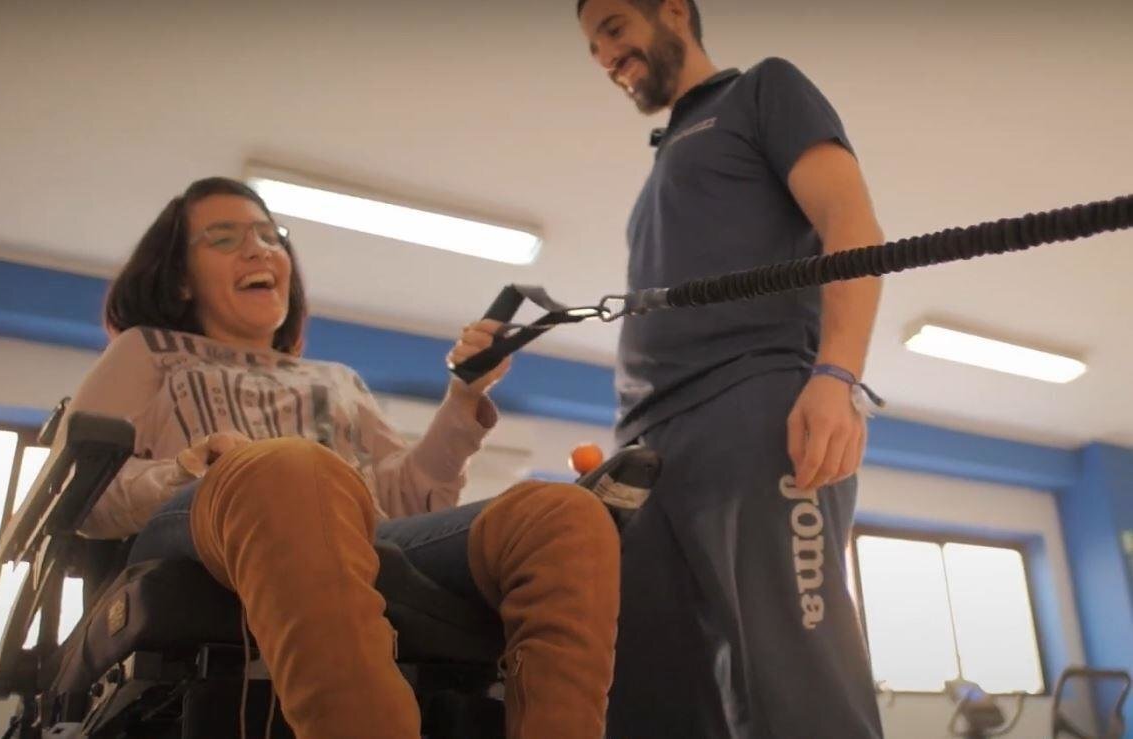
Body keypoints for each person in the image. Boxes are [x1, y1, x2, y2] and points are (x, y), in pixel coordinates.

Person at [65, 176, 620, 739]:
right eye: (225, 238)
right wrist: (187, 467)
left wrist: (464, 397)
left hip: (344, 529)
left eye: (270, 237)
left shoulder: (337, 379)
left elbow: (406, 499)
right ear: (182, 278)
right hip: (203, 528)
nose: (259, 250)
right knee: (291, 470)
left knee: (562, 515)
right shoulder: (146, 351)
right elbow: (81, 494)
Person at [576, 1, 886, 737]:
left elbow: (850, 222)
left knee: (794, 689)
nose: (606, 56)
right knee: (650, 700)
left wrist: (836, 376)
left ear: (673, 12)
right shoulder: (661, 169)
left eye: (614, 28)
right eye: (593, 47)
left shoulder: (762, 91)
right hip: (644, 449)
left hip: (752, 409)